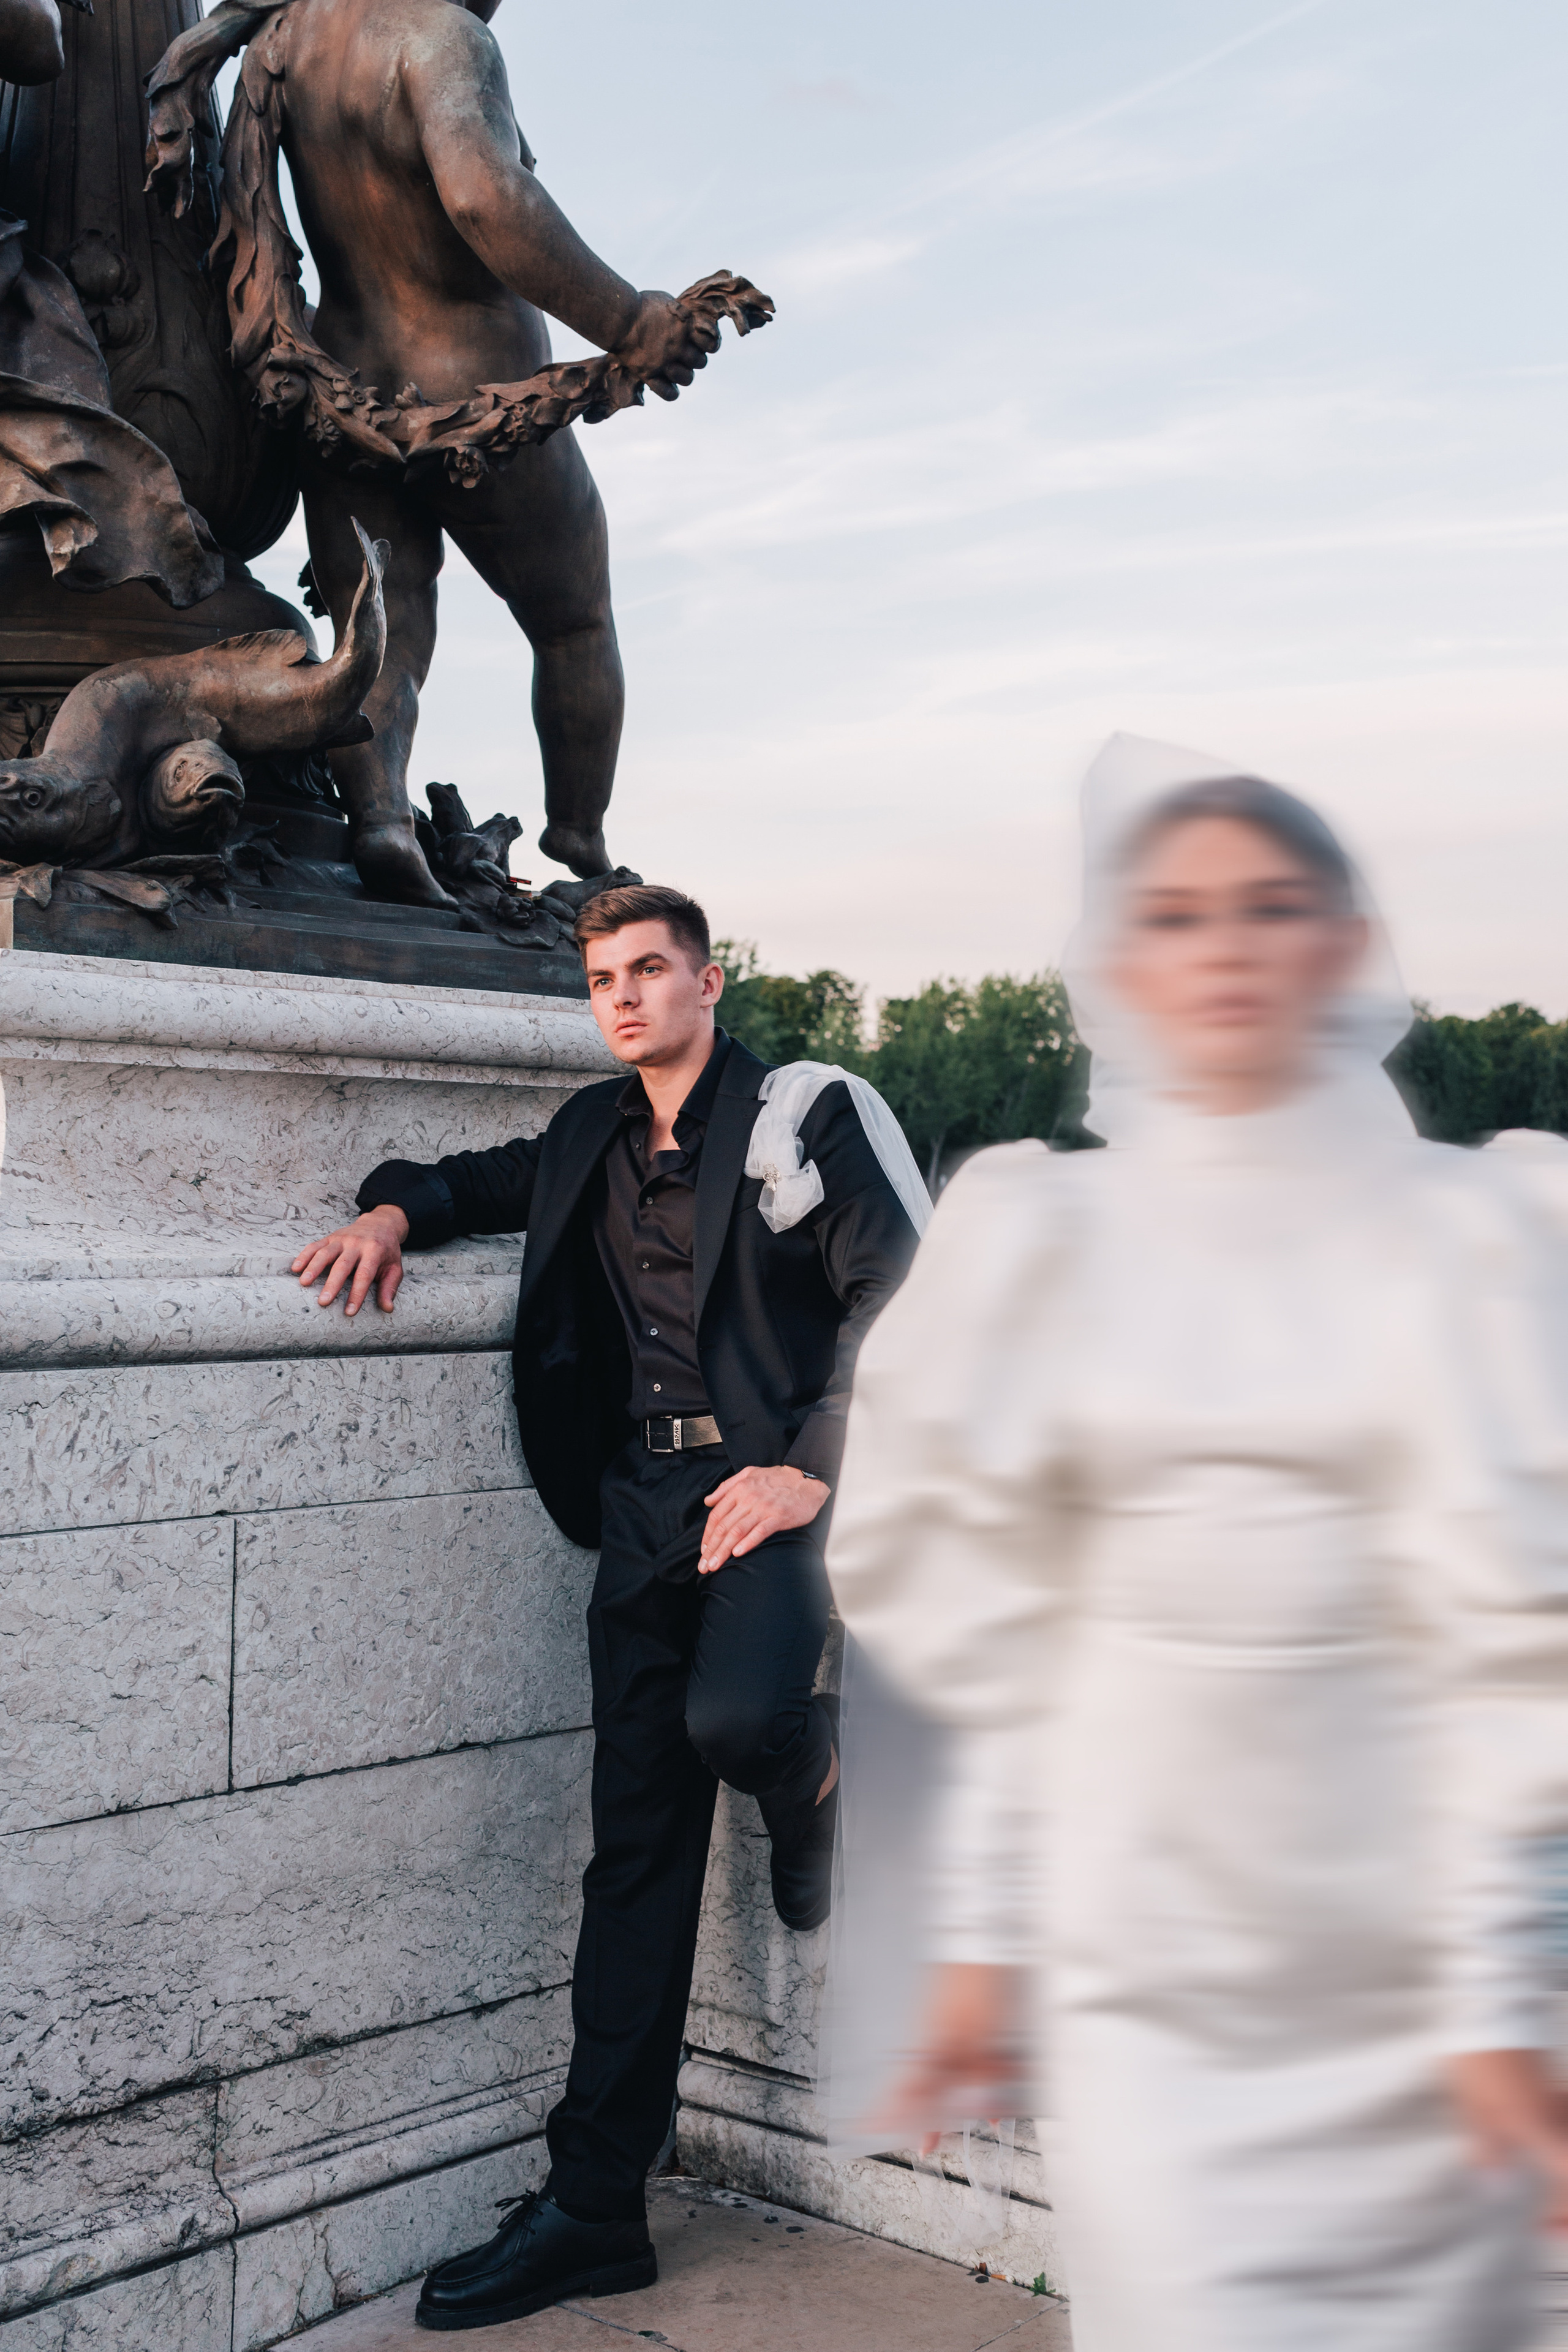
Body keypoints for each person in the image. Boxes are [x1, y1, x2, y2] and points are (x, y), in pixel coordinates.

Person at [823, 734, 1568, 2351]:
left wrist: (1507, 1997)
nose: (1224, 948)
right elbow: (1019, 1642)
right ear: (1116, 962)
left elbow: (1520, 1652)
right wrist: (983, 1942)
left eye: (1270, 906)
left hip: (1412, 1967)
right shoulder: (1038, 1236)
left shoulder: (1480, 1237)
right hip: (1143, 1968)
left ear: (1346, 945)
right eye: (1174, 915)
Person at [292, 881, 922, 2330]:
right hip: (637, 1511)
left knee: (738, 1716)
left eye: (651, 970)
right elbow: (464, 1179)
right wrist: (390, 1214)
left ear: (710, 981)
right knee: (631, 1858)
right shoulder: (589, 1130)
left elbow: (910, 1300)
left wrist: (809, 1476)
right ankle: (592, 2207)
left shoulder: (801, 1117)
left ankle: (811, 1763)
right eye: (602, 979)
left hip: (766, 1494)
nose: (625, 997)